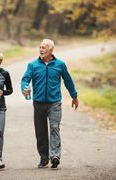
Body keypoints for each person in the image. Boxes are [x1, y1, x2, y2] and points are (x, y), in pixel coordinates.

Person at [21, 39, 79, 169]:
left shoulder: (60, 65)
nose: (41, 49)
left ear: (51, 50)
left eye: (44, 48)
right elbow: (25, 79)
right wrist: (25, 88)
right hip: (39, 103)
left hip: (55, 103)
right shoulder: (33, 65)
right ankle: (44, 158)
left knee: (54, 128)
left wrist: (74, 96)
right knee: (40, 132)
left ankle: (55, 156)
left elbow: (68, 81)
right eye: (40, 47)